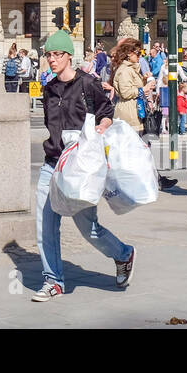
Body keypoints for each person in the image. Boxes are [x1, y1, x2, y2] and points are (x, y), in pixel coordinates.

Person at [31, 28, 135, 302]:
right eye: (48, 55)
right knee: (45, 225)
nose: (51, 60)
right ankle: (53, 280)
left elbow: (106, 112)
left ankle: (123, 254)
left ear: (68, 56)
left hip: (79, 169)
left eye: (56, 55)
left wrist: (102, 125)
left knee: (88, 229)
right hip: (52, 164)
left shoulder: (87, 83)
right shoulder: (49, 88)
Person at [109, 38, 146, 132]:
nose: (140, 56)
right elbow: (126, 93)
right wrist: (144, 89)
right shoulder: (125, 70)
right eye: (138, 53)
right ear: (129, 53)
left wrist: (144, 80)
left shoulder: (131, 69)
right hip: (128, 114)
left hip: (134, 110)